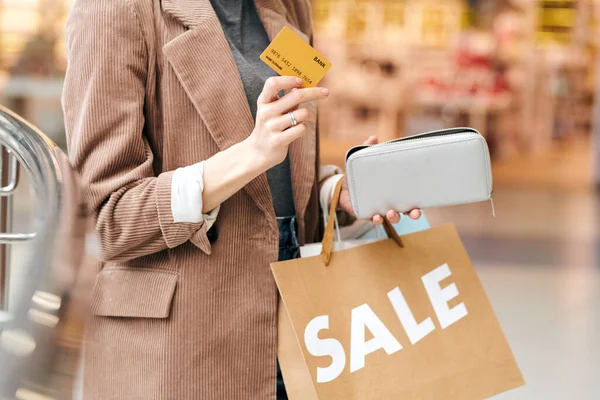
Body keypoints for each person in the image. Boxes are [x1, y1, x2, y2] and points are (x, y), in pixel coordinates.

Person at [62, 0, 420, 399]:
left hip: (297, 324)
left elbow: (271, 183)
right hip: (182, 343)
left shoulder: (288, 7)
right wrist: (249, 155)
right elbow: (105, 217)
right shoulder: (113, 10)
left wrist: (334, 193)